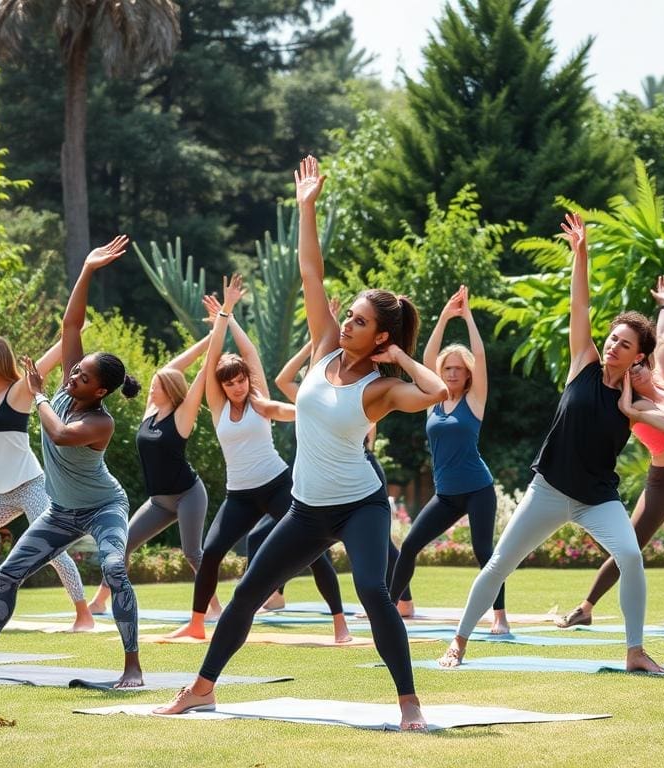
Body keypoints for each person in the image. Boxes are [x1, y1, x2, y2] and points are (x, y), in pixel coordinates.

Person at [153, 156, 448, 731]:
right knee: (246, 594)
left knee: (371, 589)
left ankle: (410, 703)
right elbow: (312, 272)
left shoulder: (383, 386)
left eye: (360, 323)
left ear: (381, 336)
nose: (347, 326)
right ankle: (201, 689)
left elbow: (435, 390)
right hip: (307, 508)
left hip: (360, 505)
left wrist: (400, 357)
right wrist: (306, 206)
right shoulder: (324, 348)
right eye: (350, 318)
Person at [437, 214, 664, 673]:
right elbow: (580, 308)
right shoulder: (584, 362)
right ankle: (459, 641)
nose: (613, 345)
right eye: (613, 338)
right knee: (498, 564)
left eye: (625, 344)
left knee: (631, 556)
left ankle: (635, 652)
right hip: (549, 489)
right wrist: (581, 254)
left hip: (597, 498)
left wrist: (635, 410)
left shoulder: (634, 401)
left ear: (639, 355)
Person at [0, 236, 144, 686]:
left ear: (99, 391)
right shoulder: (70, 388)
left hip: (104, 507)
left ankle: (132, 668)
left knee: (113, 568)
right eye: (75, 370)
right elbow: (71, 325)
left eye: (82, 376)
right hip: (61, 510)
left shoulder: (97, 421)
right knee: (9, 572)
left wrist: (42, 393)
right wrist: (86, 269)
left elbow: (62, 435)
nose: (73, 375)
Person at [168, 278, 350, 643]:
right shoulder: (217, 407)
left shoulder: (259, 399)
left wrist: (230, 315)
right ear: (220, 387)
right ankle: (197, 622)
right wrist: (224, 314)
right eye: (229, 383)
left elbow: (250, 357)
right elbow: (213, 354)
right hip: (240, 495)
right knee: (212, 551)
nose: (237, 387)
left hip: (277, 485)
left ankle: (340, 624)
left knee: (312, 550)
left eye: (240, 381)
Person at [0, 250, 93, 630]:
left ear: (0, 361)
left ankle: (84, 614)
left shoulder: (20, 391)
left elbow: (53, 357)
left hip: (30, 484)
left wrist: (74, 329)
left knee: (52, 547)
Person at [556, 276, 664, 634]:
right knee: (630, 548)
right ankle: (585, 606)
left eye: (641, 365)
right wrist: (630, 404)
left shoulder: (662, 380)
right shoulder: (628, 406)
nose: (638, 372)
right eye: (632, 371)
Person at [261, 330, 413, 617]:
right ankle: (278, 593)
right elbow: (282, 379)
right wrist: (314, 341)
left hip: (361, 471)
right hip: (318, 487)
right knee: (285, 544)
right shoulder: (309, 397)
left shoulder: (362, 392)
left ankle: (402, 600)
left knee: (382, 551)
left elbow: (368, 430)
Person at [390, 285, 507, 632]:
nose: (452, 373)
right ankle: (388, 607)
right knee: (409, 546)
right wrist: (444, 316)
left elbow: (481, 358)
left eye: (458, 368)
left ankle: (500, 616)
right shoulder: (433, 398)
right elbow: (428, 358)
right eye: (448, 368)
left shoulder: (474, 401)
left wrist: (467, 316)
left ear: (467, 373)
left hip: (478, 489)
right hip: (446, 495)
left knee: (484, 552)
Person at [87, 324, 221, 619]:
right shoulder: (151, 409)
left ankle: (215, 608)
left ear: (169, 390)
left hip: (188, 494)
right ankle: (99, 601)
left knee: (192, 553)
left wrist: (221, 325)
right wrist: (206, 339)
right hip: (160, 500)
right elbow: (173, 367)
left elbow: (200, 375)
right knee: (122, 545)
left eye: (157, 384)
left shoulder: (182, 415)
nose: (151, 386)